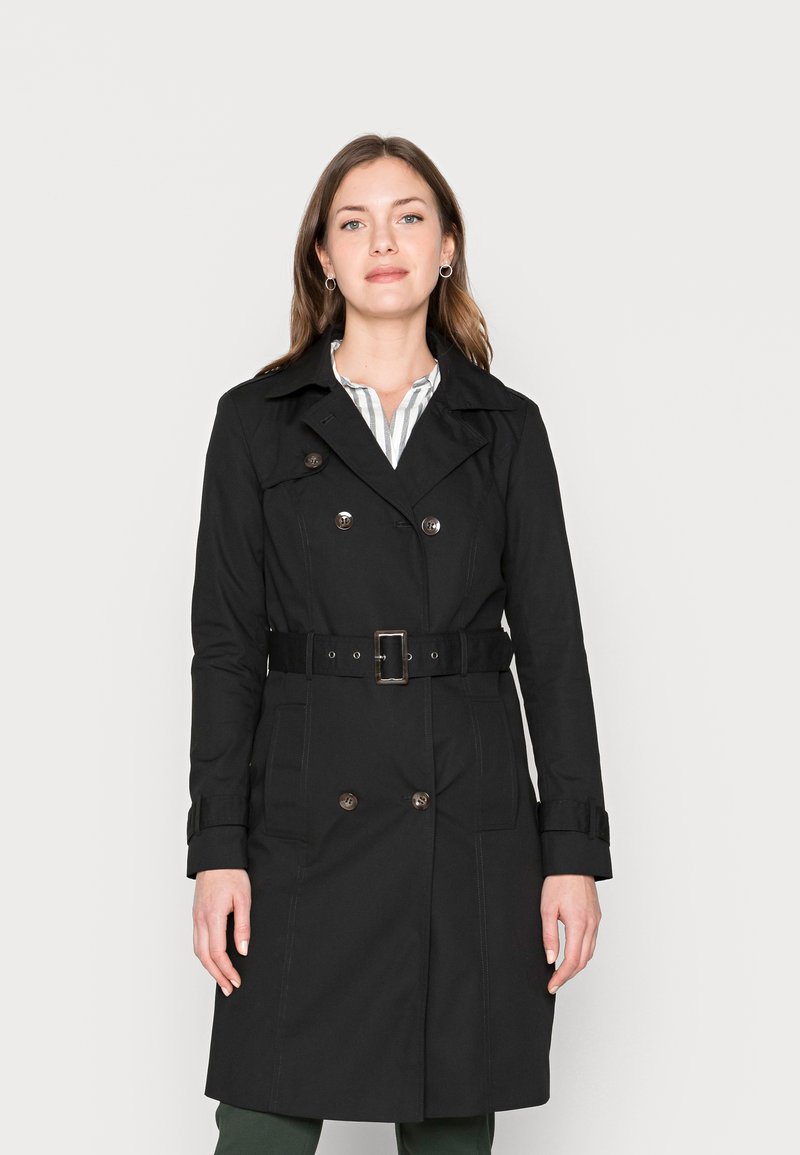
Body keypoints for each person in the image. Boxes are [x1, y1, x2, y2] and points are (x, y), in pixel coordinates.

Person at [186, 133, 613, 1155]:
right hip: (302, 819)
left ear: (446, 246)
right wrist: (216, 849)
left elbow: (552, 648)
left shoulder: (504, 428)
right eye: (354, 222)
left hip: (462, 813)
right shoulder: (255, 422)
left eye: (408, 216)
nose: (383, 241)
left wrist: (571, 856)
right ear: (323, 258)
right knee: (260, 1128)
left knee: (450, 1124)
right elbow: (227, 649)